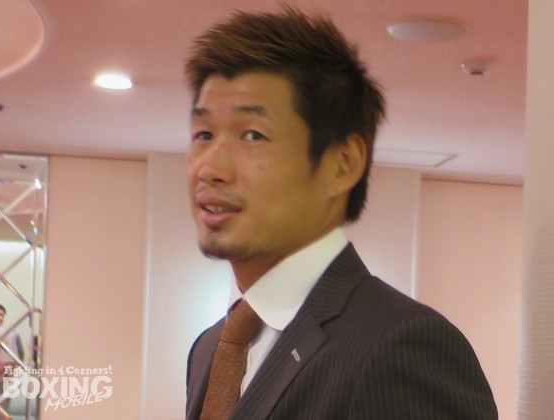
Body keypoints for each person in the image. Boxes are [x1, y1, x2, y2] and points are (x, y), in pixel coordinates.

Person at [184, 7, 498, 419]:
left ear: (343, 164)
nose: (209, 168)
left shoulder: (400, 346)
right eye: (203, 134)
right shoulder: (210, 348)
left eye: (253, 135)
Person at [0, 304, 18, 418]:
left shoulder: (8, 335)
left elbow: (8, 365)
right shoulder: (7, 335)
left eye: (2, 315)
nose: (0, 318)